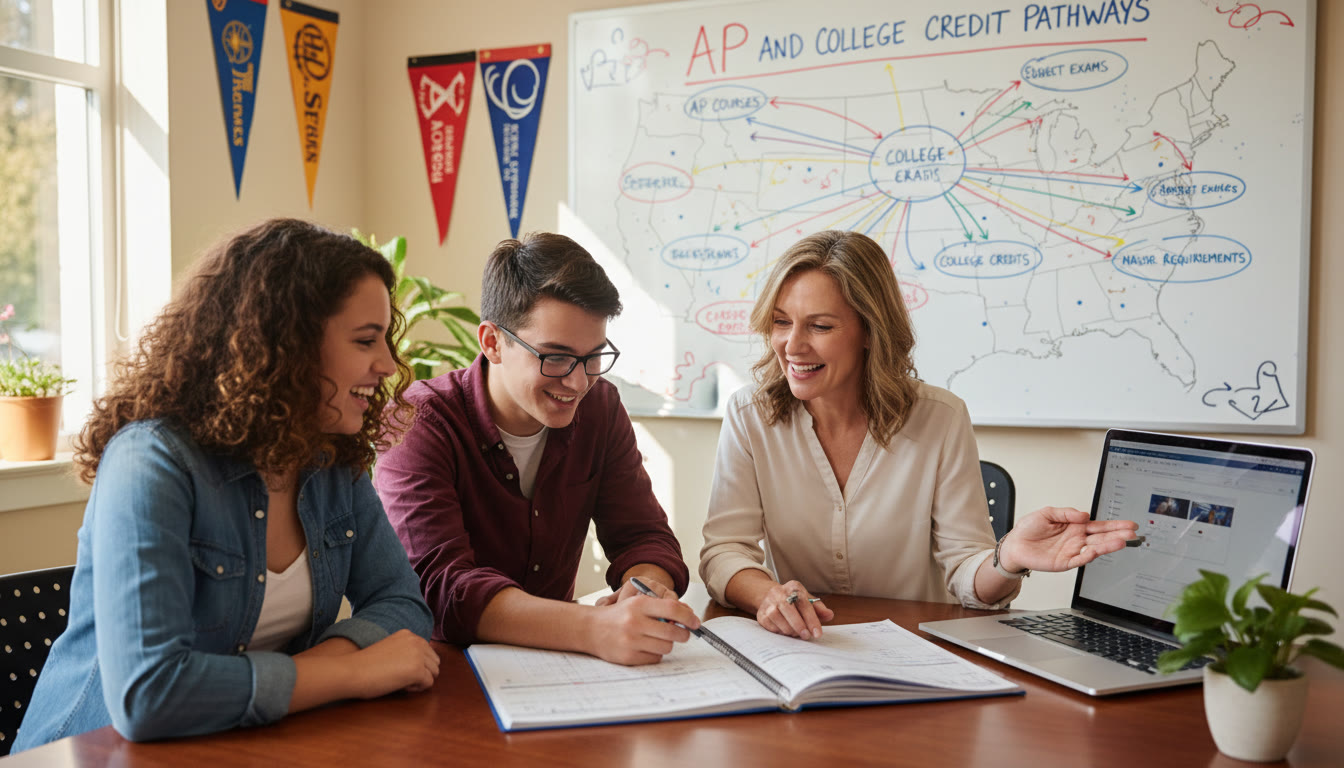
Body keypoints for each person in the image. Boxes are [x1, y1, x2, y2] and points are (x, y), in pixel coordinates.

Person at [13, 219, 438, 750]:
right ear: (289, 344)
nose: (388, 364)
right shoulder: (150, 461)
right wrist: (352, 672)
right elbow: (147, 696)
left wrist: (308, 670)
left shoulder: (330, 459)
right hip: (90, 754)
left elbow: (402, 604)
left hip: (239, 744)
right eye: (365, 341)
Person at [698, 230, 1138, 640]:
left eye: (820, 326)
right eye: (780, 322)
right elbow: (724, 551)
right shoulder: (749, 415)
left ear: (870, 330)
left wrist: (1009, 559)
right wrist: (768, 595)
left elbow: (967, 574)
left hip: (916, 651)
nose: (792, 345)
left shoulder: (940, 418)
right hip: (801, 648)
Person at [374, 232, 699, 666]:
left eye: (594, 356)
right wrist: (592, 628)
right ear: (492, 342)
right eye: (556, 357)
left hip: (558, 667)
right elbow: (441, 587)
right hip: (438, 670)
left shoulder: (600, 408)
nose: (579, 382)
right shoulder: (416, 421)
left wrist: (644, 589)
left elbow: (643, 535)